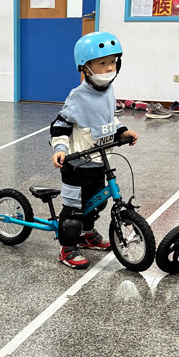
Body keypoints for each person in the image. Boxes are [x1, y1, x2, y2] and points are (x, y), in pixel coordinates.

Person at [50, 31, 139, 269]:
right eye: (102, 63)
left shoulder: (108, 91)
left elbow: (108, 121)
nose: (109, 68)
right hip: (77, 164)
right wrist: (60, 149)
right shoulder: (78, 96)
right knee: (74, 211)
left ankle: (87, 235)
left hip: (100, 161)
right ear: (85, 67)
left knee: (96, 203)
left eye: (113, 62)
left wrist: (122, 132)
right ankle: (67, 248)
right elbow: (60, 126)